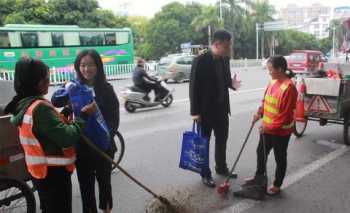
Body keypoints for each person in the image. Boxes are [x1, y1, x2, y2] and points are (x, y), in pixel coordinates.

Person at [4, 57, 89, 213]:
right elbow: (66, 137)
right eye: (46, 78)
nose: (49, 81)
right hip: (54, 175)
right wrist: (82, 118)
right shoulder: (40, 108)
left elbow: (46, 128)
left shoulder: (24, 103)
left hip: (39, 173)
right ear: (36, 82)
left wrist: (64, 113)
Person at [52, 49, 119, 213]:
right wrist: (67, 92)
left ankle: (107, 210)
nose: (86, 69)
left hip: (103, 148)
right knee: (86, 187)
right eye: (82, 65)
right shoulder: (73, 86)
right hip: (82, 147)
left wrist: (105, 137)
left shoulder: (106, 89)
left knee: (105, 184)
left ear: (98, 67)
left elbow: (113, 119)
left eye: (91, 65)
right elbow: (55, 101)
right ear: (77, 67)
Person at [189, 29, 241, 187]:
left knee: (222, 140)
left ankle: (221, 167)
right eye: (226, 46)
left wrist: (232, 84)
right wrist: (195, 112)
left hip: (222, 109)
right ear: (217, 44)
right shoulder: (201, 60)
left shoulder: (224, 60)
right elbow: (193, 87)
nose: (229, 50)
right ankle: (205, 174)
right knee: (204, 143)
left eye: (229, 46)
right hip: (205, 112)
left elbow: (225, 80)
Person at [244, 55, 298, 196]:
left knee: (279, 158)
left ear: (279, 69)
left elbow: (285, 116)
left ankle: (277, 184)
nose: (269, 72)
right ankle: (259, 177)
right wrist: (259, 113)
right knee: (260, 152)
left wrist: (268, 127)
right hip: (267, 128)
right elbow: (266, 101)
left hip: (281, 132)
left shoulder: (289, 88)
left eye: (270, 69)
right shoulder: (272, 82)